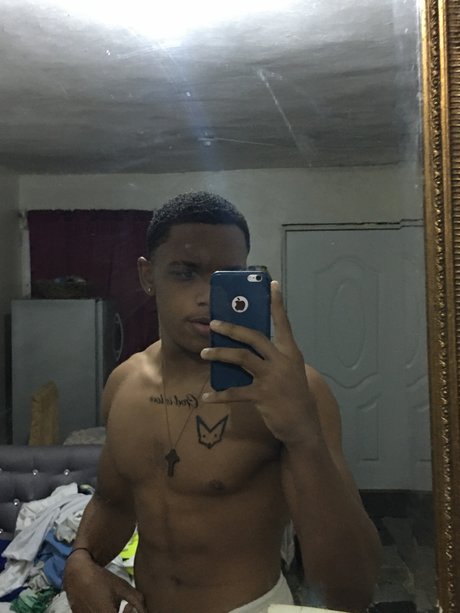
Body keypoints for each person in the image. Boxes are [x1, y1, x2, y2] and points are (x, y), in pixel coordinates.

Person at [63, 191, 380, 613]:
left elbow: (353, 592)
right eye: (185, 273)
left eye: (226, 276)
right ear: (148, 276)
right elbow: (113, 501)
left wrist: (303, 434)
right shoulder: (124, 383)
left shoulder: (294, 391)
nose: (208, 295)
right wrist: (80, 559)